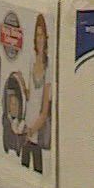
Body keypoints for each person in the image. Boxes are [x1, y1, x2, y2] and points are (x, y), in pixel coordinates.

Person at [18, 13, 53, 173]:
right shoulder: (31, 59)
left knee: (37, 172)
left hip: (36, 132)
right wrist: (21, 83)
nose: (39, 39)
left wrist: (32, 130)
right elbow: (30, 96)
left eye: (42, 35)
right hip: (26, 126)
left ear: (46, 37)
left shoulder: (49, 65)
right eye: (37, 35)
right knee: (23, 170)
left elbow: (45, 111)